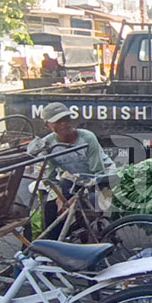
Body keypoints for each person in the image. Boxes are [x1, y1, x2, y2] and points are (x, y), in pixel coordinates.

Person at [37, 102, 115, 237]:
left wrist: (76, 197)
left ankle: (86, 236)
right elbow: (50, 176)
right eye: (58, 121)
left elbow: (98, 172)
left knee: (88, 204)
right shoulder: (48, 144)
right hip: (76, 180)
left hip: (102, 180)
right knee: (50, 206)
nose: (64, 124)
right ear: (48, 125)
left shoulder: (87, 137)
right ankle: (52, 245)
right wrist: (58, 196)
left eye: (67, 119)